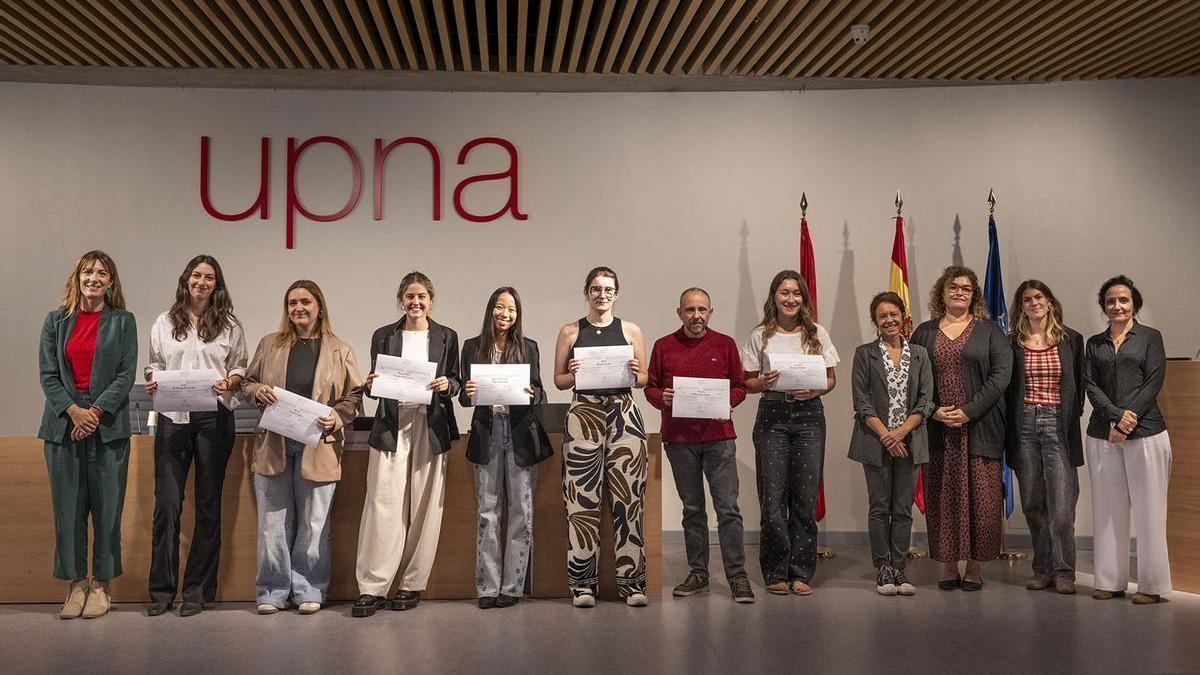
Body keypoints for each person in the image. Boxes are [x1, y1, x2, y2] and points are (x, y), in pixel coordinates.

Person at [241, 280, 363, 615]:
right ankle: (272, 591)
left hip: (319, 445)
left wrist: (336, 417)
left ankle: (310, 588)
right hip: (274, 444)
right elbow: (247, 384)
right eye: (292, 303)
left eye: (305, 302)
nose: (298, 308)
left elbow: (354, 396)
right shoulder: (270, 344)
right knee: (272, 524)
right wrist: (257, 391)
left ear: (319, 307)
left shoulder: (340, 349)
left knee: (314, 524)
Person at [144, 255, 248, 617]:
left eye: (209, 277)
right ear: (186, 279)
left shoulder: (230, 325)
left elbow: (239, 366)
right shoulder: (164, 321)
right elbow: (155, 363)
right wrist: (152, 378)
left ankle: (196, 592)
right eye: (196, 275)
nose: (201, 282)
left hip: (214, 417)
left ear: (217, 284)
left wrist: (230, 382)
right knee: (167, 505)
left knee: (207, 505)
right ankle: (161, 592)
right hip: (173, 416)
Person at [353, 271, 460, 617]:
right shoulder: (384, 335)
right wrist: (370, 385)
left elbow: (456, 380)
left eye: (421, 297)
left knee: (425, 506)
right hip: (391, 423)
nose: (416, 302)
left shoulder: (447, 336)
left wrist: (448, 385)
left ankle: (411, 584)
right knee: (382, 503)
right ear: (401, 300)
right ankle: (373, 587)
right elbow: (376, 384)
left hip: (430, 424)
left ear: (431, 301)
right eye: (410, 297)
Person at [38, 250, 137, 619]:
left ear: (111, 282)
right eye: (87, 271)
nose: (94, 278)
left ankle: (101, 585)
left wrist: (94, 412)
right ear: (77, 277)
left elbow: (125, 374)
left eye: (102, 273)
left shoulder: (123, 322)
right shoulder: (55, 321)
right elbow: (48, 374)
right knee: (68, 510)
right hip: (63, 423)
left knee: (108, 509)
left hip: (106, 424)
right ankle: (76, 584)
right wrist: (74, 411)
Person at [646, 287, 754, 603]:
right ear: (680, 313)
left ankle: (738, 576)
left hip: (719, 439)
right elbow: (650, 388)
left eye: (702, 309)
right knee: (693, 509)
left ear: (710, 312)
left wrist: (727, 401)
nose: (696, 315)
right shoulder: (663, 346)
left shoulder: (725, 344)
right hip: (680, 441)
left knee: (727, 509)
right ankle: (698, 574)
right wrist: (662, 398)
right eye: (690, 310)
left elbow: (740, 386)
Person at [553, 266, 649, 608]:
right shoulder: (570, 331)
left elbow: (644, 379)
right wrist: (572, 373)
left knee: (629, 500)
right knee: (581, 502)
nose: (602, 294)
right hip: (584, 413)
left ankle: (632, 583)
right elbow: (559, 381)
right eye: (596, 288)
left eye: (608, 289)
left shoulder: (631, 330)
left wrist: (638, 373)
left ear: (616, 294)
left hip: (624, 413)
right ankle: (582, 586)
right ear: (587, 292)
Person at [911, 266, 1012, 591]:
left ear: (974, 296)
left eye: (966, 288)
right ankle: (949, 564)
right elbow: (912, 377)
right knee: (943, 498)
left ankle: (975, 566)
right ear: (942, 292)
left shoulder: (990, 331)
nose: (959, 292)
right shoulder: (924, 332)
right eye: (953, 287)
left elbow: (1001, 376)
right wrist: (933, 410)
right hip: (939, 430)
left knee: (982, 500)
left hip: (980, 427)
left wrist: (969, 411)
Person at [741, 270, 839, 596]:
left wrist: (815, 391)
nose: (790, 299)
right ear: (774, 297)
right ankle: (775, 571)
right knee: (772, 501)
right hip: (773, 415)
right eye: (784, 293)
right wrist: (763, 382)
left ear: (803, 298)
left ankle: (801, 572)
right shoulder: (759, 335)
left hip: (810, 418)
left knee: (805, 500)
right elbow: (746, 382)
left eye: (796, 293)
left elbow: (831, 379)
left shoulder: (817, 333)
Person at [459, 287, 553, 609]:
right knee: (488, 511)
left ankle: (512, 586)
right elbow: (464, 397)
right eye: (500, 307)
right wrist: (468, 391)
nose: (505, 314)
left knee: (521, 512)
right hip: (486, 432)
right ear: (491, 310)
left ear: (517, 315)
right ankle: (487, 587)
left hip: (520, 433)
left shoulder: (528, 347)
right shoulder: (472, 347)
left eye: (511, 309)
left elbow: (540, 393)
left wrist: (531, 393)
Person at [1084, 275, 1172, 604]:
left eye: (1123, 300)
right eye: (1110, 301)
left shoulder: (1150, 337)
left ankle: (1152, 586)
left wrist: (1125, 421)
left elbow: (1153, 382)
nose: (1117, 306)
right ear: (1103, 306)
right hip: (1102, 434)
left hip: (1147, 432)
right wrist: (1114, 416)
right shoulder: (1094, 343)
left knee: (1150, 511)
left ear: (1134, 303)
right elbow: (1090, 384)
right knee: (1108, 509)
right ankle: (1109, 581)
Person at [848, 292, 933, 596]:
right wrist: (887, 435)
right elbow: (861, 401)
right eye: (882, 316)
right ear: (875, 321)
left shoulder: (920, 354)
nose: (889, 320)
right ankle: (882, 568)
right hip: (875, 441)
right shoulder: (864, 354)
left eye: (893, 314)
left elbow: (926, 400)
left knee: (903, 509)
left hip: (910, 442)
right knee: (879, 507)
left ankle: (899, 568)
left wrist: (901, 433)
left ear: (903, 317)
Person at [1004, 280, 1085, 595]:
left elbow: (1079, 386)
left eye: (1039, 297)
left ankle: (1064, 572)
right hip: (1024, 424)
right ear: (1021, 306)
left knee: (1062, 505)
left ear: (1050, 302)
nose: (1034, 303)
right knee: (1033, 503)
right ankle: (1043, 569)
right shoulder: (1013, 342)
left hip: (1058, 424)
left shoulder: (1071, 339)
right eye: (1027, 299)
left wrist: (1067, 416)